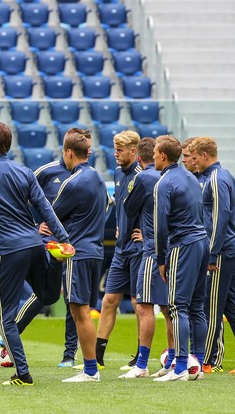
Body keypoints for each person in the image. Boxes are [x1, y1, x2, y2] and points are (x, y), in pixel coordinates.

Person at [0, 121, 71, 386]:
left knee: (5, 318)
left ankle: (23, 373)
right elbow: (45, 207)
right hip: (35, 244)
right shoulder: (24, 171)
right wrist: (64, 238)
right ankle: (56, 261)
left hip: (8, 251)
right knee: (47, 295)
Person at [13, 129, 96, 368]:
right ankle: (9, 336)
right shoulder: (46, 171)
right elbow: (21, 200)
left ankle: (69, 354)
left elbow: (104, 205)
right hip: (48, 244)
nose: (87, 153)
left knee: (73, 298)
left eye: (89, 149)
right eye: (84, 148)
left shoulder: (90, 176)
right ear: (70, 149)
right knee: (44, 292)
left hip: (74, 245)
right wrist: (33, 226)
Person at [191, 137, 235, 375]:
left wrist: (211, 254)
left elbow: (220, 218)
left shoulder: (216, 178)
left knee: (212, 309)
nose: (193, 161)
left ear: (205, 156)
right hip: (229, 248)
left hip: (221, 252)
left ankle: (206, 362)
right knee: (232, 307)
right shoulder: (226, 175)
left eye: (195, 156)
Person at [46, 130, 110, 383]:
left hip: (78, 253)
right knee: (83, 309)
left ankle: (90, 370)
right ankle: (90, 366)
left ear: (69, 153)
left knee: (79, 311)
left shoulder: (72, 182)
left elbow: (51, 214)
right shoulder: (98, 177)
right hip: (95, 251)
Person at [152, 135, 209, 382]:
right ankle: (198, 364)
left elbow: (160, 227)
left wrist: (161, 258)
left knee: (177, 307)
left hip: (182, 246)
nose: (153, 156)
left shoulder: (164, 183)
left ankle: (181, 368)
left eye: (155, 153)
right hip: (202, 242)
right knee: (197, 307)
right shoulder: (191, 176)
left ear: (163, 156)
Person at [120, 137, 173, 379]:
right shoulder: (175, 176)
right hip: (174, 248)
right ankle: (173, 360)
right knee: (169, 307)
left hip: (152, 249)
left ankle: (141, 365)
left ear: (140, 158)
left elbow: (129, 208)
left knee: (143, 305)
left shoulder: (143, 177)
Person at [94, 130, 141, 371]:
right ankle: (97, 357)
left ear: (134, 152)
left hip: (139, 249)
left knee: (137, 303)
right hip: (122, 249)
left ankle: (139, 357)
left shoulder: (143, 176)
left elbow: (155, 208)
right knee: (109, 299)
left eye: (120, 151)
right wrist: (119, 226)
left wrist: (146, 232)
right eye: (115, 149)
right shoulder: (117, 173)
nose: (115, 154)